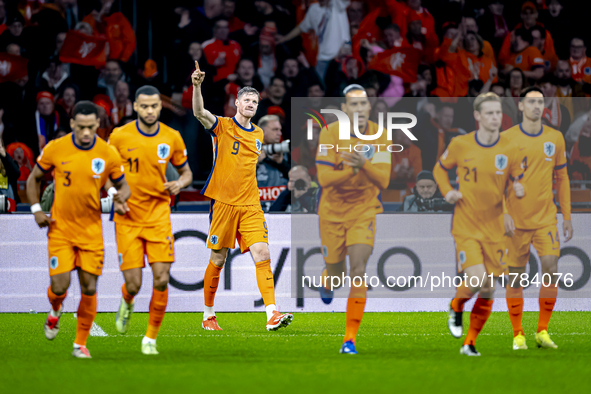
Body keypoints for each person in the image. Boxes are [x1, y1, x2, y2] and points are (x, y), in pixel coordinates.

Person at [191, 60, 293, 331]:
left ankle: (272, 313)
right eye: (246, 99)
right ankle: (208, 315)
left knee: (263, 253)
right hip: (224, 203)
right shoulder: (222, 126)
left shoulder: (258, 134)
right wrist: (197, 86)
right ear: (236, 103)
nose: (251, 103)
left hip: (250, 204)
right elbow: (200, 113)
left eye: (255, 101)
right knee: (218, 259)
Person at [26, 101, 130, 359]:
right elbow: (33, 178)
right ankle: (55, 310)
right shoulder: (55, 148)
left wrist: (119, 196)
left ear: (98, 125)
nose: (86, 132)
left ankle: (79, 343)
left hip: (91, 232)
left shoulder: (107, 153)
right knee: (59, 287)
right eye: (81, 127)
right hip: (60, 230)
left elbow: (122, 186)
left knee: (89, 287)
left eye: (91, 127)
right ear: (72, 124)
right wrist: (37, 209)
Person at [433, 92, 524, 356]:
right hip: (467, 225)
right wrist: (448, 191)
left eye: (498, 113)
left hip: (495, 228)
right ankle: (457, 305)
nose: (495, 117)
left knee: (488, 289)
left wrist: (518, 190)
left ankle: (469, 343)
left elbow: (514, 180)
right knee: (478, 278)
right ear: (477, 116)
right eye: (490, 113)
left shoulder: (509, 148)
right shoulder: (460, 144)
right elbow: (440, 169)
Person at [106, 85, 193, 355]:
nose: (150, 110)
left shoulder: (172, 137)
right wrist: (113, 194)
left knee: (161, 278)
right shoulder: (119, 136)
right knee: (134, 283)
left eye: (154, 106)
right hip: (128, 216)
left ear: (160, 106)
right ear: (135, 107)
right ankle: (127, 300)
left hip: (158, 216)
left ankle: (150, 339)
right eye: (144, 106)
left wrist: (179, 183)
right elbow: (104, 172)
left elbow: (187, 172)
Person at [316, 84, 391, 354]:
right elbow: (324, 179)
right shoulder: (330, 133)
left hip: (363, 210)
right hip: (332, 213)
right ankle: (328, 278)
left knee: (358, 271)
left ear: (369, 107)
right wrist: (353, 170)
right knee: (337, 275)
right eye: (353, 104)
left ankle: (349, 340)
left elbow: (384, 179)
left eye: (363, 104)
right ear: (345, 109)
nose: (359, 108)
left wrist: (364, 165)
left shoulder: (380, 136)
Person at [503, 86, 573, 350]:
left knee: (551, 269)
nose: (536, 106)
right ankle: (518, 333)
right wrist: (505, 213)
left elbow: (562, 177)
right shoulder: (506, 139)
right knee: (516, 278)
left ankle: (542, 331)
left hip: (546, 219)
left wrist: (566, 215)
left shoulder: (555, 138)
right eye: (531, 102)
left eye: (540, 102)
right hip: (516, 222)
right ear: (520, 106)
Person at [256, 114, 289, 188]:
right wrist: (254, 163)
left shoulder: (284, 150)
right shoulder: (249, 151)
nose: (279, 133)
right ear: (263, 131)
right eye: (275, 129)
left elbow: (295, 178)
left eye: (280, 130)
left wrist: (282, 163)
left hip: (282, 198)